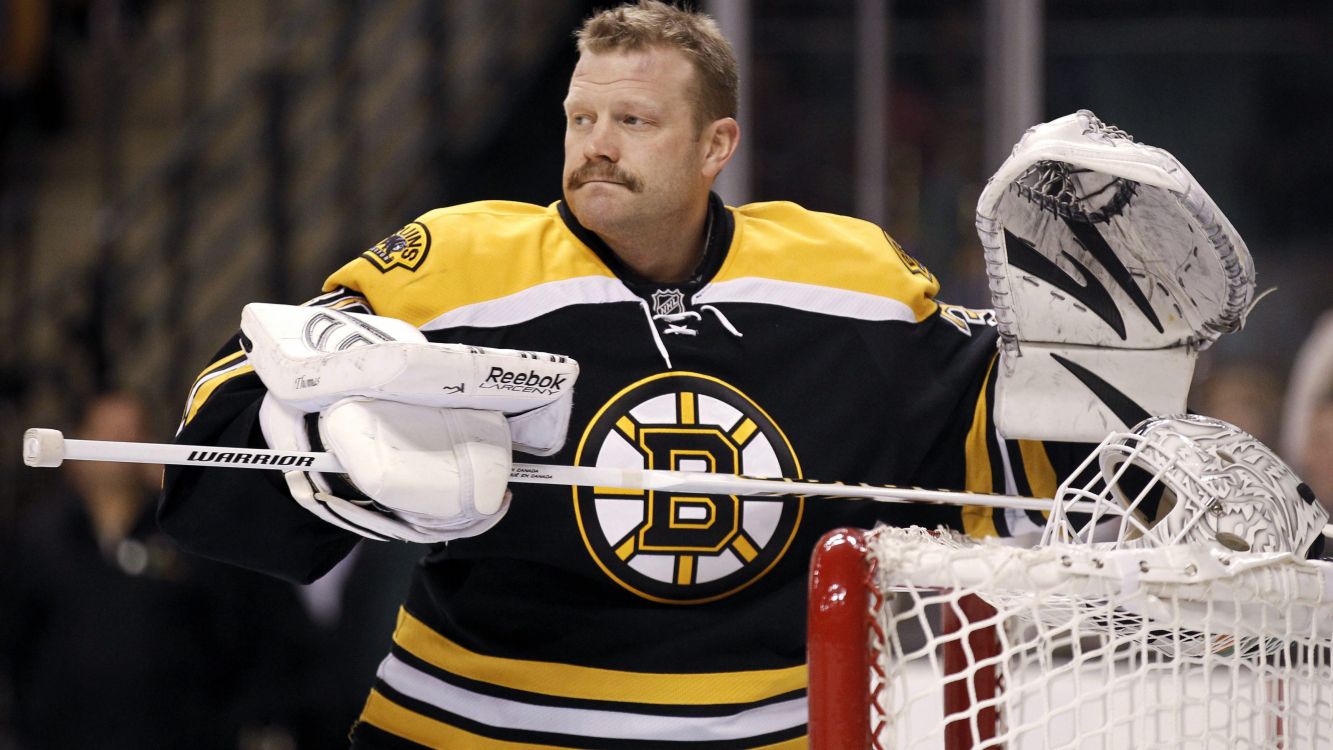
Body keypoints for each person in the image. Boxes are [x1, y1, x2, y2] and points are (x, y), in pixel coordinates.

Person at [158, 3, 1246, 747]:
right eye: (581, 118)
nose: (594, 144)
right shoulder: (458, 264)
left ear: (717, 143)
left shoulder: (847, 279)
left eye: (632, 121)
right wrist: (323, 452)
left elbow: (1005, 480)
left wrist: (1102, 375)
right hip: (475, 731)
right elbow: (228, 415)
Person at [0, 392, 304, 749]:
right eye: (107, 437)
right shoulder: (40, 539)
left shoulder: (194, 537)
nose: (120, 449)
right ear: (74, 449)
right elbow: (16, 640)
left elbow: (250, 630)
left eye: (133, 436)